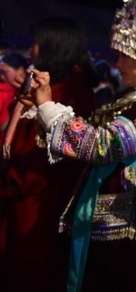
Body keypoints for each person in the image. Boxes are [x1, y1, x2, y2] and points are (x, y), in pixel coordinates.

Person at [27, 0, 136, 292]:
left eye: (122, 55)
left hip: (129, 230)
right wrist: (41, 111)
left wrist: (49, 108)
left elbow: (105, 145)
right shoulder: (128, 99)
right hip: (108, 227)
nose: (118, 65)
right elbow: (85, 136)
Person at [0, 17, 99, 292]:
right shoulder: (48, 85)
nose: (31, 50)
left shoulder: (71, 92)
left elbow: (48, 157)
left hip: (40, 210)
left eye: (36, 43)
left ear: (53, 47)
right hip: (22, 201)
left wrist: (12, 182)